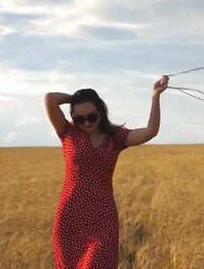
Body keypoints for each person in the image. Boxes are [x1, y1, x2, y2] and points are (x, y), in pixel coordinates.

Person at [44, 75, 169, 268]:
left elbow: (150, 131)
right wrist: (77, 99)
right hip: (69, 219)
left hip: (103, 221)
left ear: (101, 111)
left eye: (91, 116)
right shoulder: (67, 132)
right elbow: (50, 99)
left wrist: (155, 96)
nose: (86, 122)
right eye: (79, 118)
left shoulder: (115, 137)